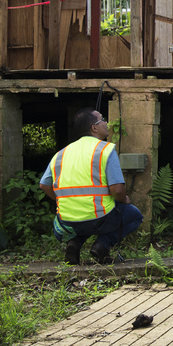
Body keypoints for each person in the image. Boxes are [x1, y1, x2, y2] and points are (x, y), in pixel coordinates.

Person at [39, 107, 143, 265]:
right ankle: (102, 244)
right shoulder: (105, 150)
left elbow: (44, 185)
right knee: (134, 215)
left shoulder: (61, 154)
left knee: (81, 222)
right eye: (102, 119)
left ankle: (74, 243)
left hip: (66, 220)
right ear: (94, 127)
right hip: (100, 217)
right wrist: (124, 199)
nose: (106, 123)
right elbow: (118, 190)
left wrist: (62, 200)